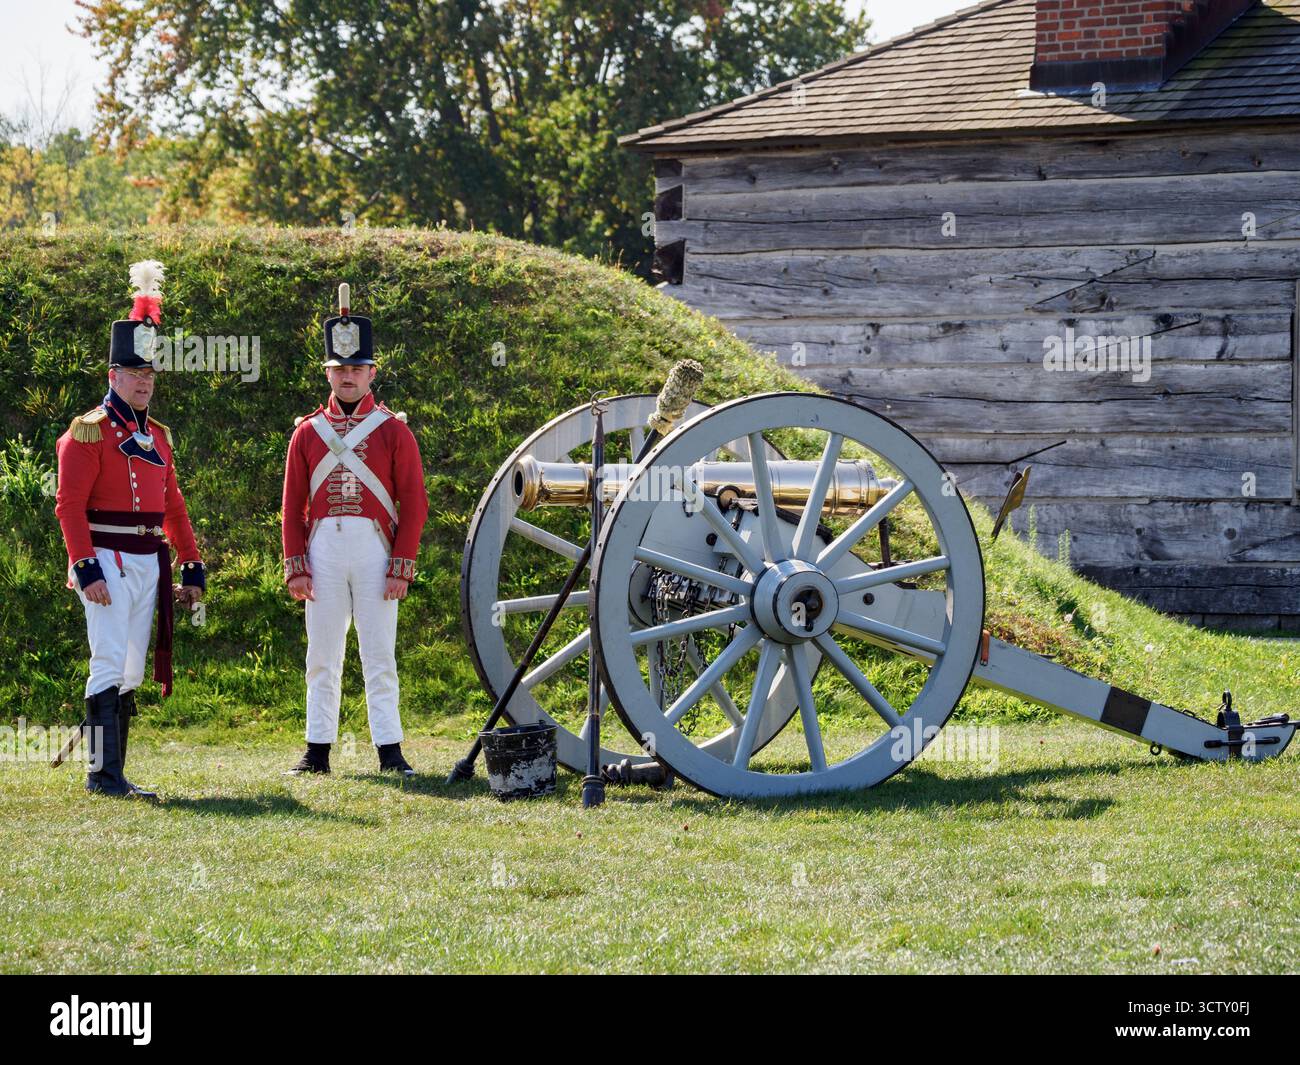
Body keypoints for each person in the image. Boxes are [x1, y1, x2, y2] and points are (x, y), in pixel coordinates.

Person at [54, 260, 206, 800]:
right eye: (134, 374)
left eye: (150, 375)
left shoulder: (158, 436)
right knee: (108, 658)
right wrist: (85, 567)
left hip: (148, 560)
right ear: (112, 376)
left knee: (131, 667)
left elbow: (174, 507)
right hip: (105, 556)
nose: (144, 382)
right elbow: (69, 506)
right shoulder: (87, 432)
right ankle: (103, 775)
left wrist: (191, 564)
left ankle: (113, 772)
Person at [281, 283, 429, 776]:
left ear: (371, 373)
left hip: (374, 549)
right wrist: (296, 566)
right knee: (321, 655)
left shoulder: (394, 430)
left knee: (379, 654)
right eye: (339, 369)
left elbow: (415, 503)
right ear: (328, 372)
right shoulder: (307, 432)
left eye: (356, 369)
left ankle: (390, 751)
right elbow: (292, 507)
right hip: (323, 548)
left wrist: (401, 565)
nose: (348, 377)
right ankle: (317, 751)